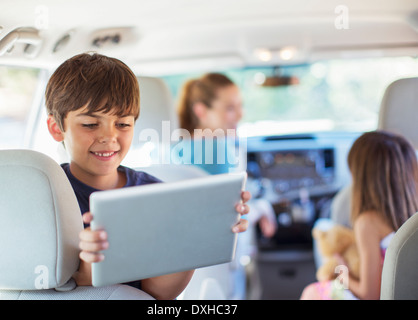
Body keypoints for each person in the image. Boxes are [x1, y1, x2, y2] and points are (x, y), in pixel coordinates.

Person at [45, 53, 251, 300]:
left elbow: (157, 295)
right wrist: (89, 269)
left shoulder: (155, 194)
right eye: (90, 124)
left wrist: (199, 237)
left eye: (123, 124)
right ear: (57, 128)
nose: (109, 137)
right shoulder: (47, 196)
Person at [301, 130, 418, 300]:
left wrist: (343, 274)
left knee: (312, 292)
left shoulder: (368, 222)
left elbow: (370, 294)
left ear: (362, 177)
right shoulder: (413, 215)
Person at [176, 72, 276, 237]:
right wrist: (263, 208)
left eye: (240, 106)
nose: (240, 114)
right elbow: (228, 220)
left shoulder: (178, 147)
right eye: (230, 108)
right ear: (201, 111)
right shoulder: (216, 148)